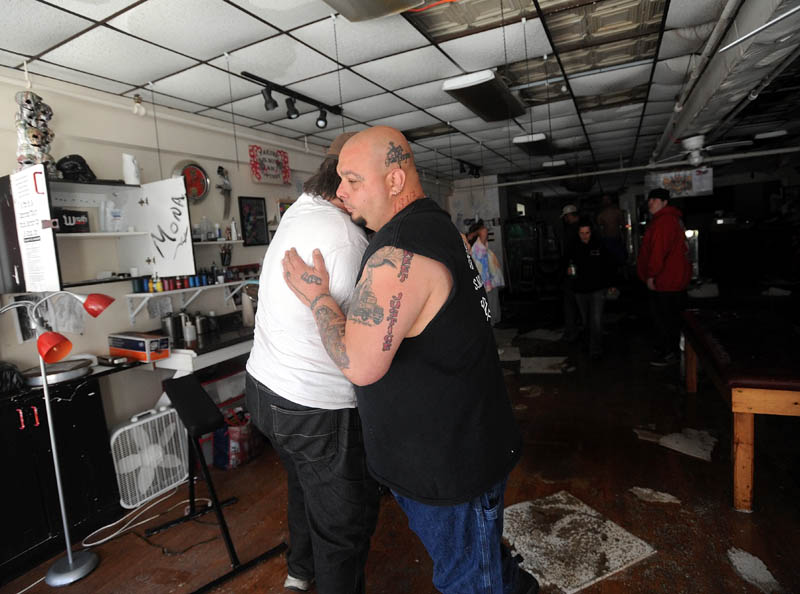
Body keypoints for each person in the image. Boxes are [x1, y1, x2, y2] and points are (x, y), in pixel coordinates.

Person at [281, 126, 537, 594]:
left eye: (353, 180)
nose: (340, 192)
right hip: (456, 451)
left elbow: (359, 364)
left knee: (469, 580)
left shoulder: (400, 252)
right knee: (478, 557)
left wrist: (319, 299)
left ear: (395, 180)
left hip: (451, 468)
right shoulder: (434, 224)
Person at [244, 132, 379, 593]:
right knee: (343, 525)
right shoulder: (346, 238)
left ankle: (299, 573)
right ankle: (315, 572)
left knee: (304, 485)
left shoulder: (298, 211)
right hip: (314, 407)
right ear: (346, 186)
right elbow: (363, 344)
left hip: (264, 391)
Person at [637, 188, 691, 367]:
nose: (650, 202)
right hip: (673, 281)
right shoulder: (672, 220)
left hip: (665, 282)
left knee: (664, 320)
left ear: (665, 202)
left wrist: (651, 275)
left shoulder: (663, 222)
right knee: (671, 319)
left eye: (655, 199)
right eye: (650, 199)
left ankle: (669, 354)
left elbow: (657, 253)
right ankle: (669, 351)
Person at [568, 217, 616, 359]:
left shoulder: (600, 246)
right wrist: (568, 271)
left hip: (597, 289)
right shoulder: (573, 247)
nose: (584, 236)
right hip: (580, 290)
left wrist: (611, 284)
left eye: (587, 233)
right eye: (581, 233)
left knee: (596, 320)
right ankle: (588, 344)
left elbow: (609, 265)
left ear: (591, 232)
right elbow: (566, 264)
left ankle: (595, 349)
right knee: (586, 321)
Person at [468, 219, 505, 326]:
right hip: (485, 283)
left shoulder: (475, 247)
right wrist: (472, 234)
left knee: (489, 306)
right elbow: (483, 230)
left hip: (487, 282)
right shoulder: (478, 247)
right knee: (489, 307)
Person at [558, 204, 581, 342]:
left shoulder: (571, 230)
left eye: (566, 217)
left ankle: (571, 331)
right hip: (582, 270)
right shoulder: (586, 228)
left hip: (572, 270)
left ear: (569, 216)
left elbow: (567, 253)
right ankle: (579, 326)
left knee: (570, 301)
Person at [595, 193, 627, 266]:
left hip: (617, 239)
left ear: (610, 200)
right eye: (604, 200)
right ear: (602, 202)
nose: (606, 201)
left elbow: (623, 226)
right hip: (607, 240)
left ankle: (625, 275)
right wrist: (601, 241)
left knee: (622, 261)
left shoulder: (617, 212)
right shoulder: (600, 215)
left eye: (607, 199)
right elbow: (599, 229)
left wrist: (624, 239)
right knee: (609, 262)